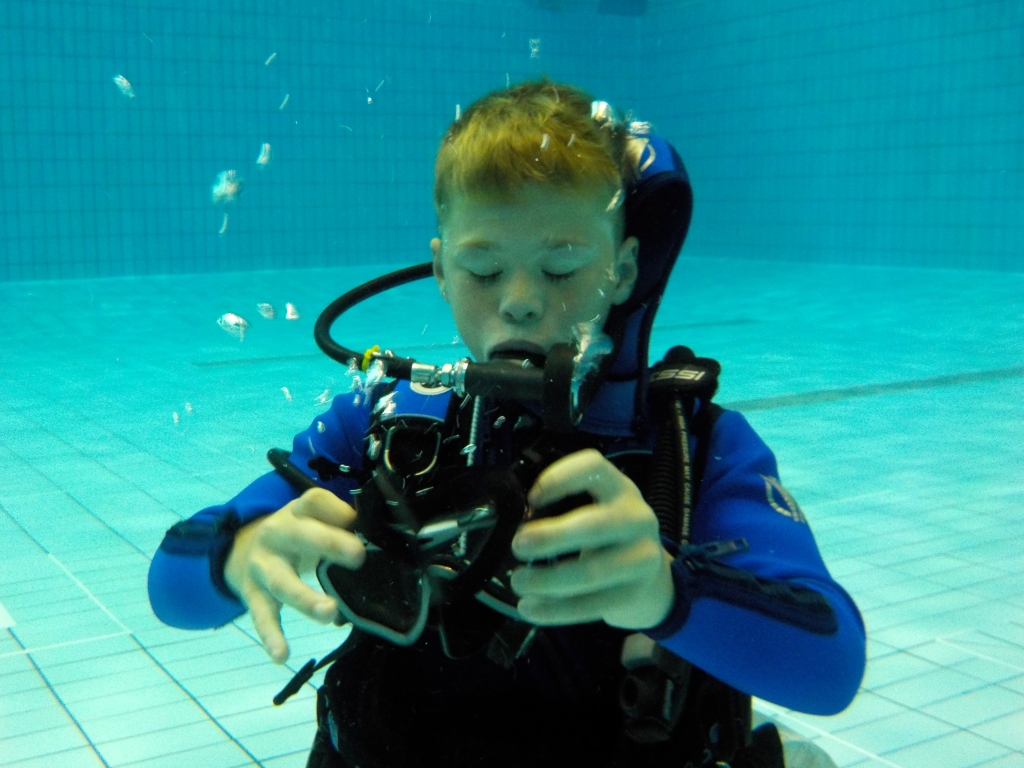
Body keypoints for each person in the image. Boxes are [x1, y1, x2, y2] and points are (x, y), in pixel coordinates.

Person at [148, 79, 865, 768]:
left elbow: (831, 666)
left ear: (622, 270)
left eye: (562, 268)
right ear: (441, 271)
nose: (520, 302)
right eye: (484, 271)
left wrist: (667, 590)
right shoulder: (390, 424)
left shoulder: (690, 448)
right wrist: (237, 554)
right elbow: (170, 588)